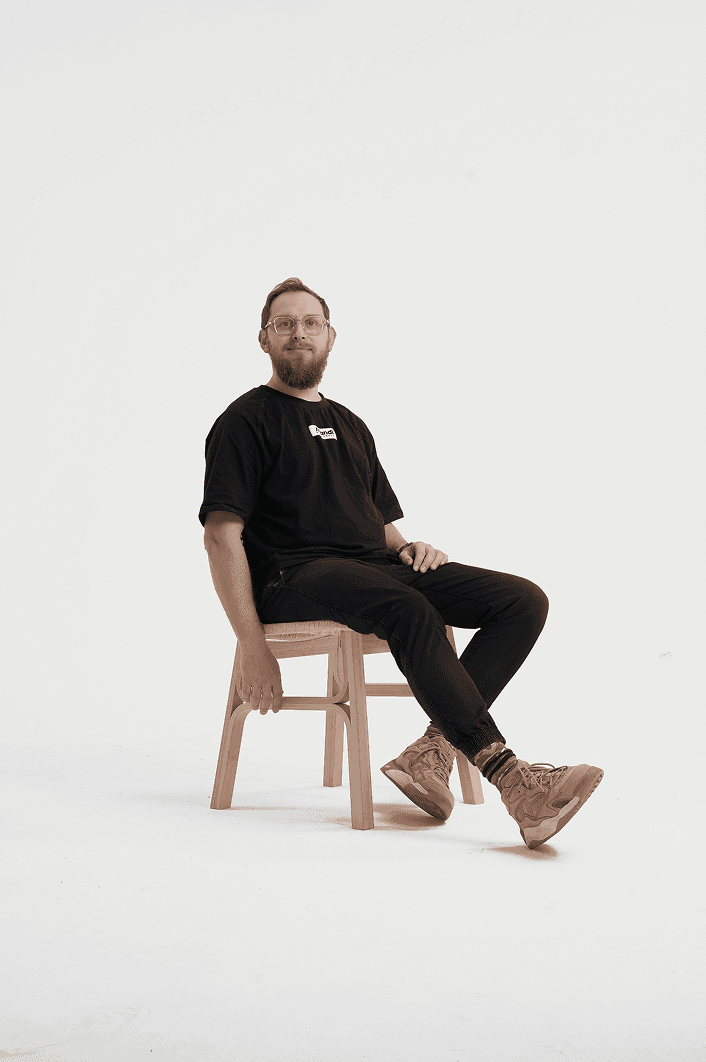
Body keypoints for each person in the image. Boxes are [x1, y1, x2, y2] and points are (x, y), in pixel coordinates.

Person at [199, 277, 601, 850]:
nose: (298, 334)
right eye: (283, 324)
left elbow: (379, 526)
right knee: (406, 606)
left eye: (311, 323)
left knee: (521, 600)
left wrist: (411, 548)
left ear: (331, 336)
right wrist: (252, 643)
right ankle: (513, 780)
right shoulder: (245, 420)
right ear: (263, 339)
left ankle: (431, 753)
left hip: (372, 574)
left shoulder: (351, 425)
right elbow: (221, 538)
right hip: (291, 578)